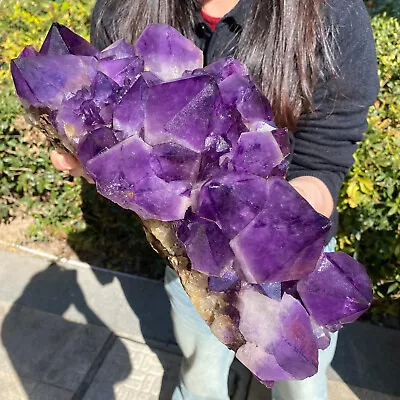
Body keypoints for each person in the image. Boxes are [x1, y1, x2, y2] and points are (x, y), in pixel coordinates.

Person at [50, 0, 379, 399]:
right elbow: (113, 114)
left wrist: (269, 235)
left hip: (295, 259)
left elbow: (324, 157)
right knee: (201, 372)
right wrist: (112, 167)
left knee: (302, 383)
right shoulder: (122, 8)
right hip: (190, 253)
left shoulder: (333, 14)